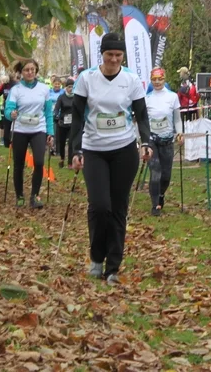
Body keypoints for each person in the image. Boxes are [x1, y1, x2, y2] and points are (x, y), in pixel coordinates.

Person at [70, 33, 152, 284]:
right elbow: (76, 116)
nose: (114, 60)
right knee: (100, 206)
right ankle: (96, 256)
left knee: (118, 208)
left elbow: (141, 115)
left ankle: (113, 267)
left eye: (118, 56)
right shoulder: (86, 79)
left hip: (124, 149)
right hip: (94, 149)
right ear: (102, 55)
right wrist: (75, 150)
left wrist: (146, 142)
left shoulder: (131, 80)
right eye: (110, 55)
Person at [5, 59, 54, 208]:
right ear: (21, 72)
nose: (30, 72)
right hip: (20, 129)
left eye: (33, 69)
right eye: (27, 70)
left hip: (38, 129)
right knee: (18, 164)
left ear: (36, 71)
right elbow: (8, 110)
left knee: (39, 162)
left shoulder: (44, 89)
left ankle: (35, 195)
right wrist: (10, 114)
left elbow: (48, 113)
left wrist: (50, 132)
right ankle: (20, 195)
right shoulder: (16, 90)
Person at [145, 68, 183, 216]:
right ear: (151, 80)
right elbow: (141, 121)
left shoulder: (172, 97)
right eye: (154, 79)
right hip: (152, 139)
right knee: (155, 172)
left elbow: (177, 119)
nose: (157, 82)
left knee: (166, 175)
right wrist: (141, 141)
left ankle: (161, 195)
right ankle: (155, 205)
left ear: (164, 79)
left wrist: (179, 133)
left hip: (167, 140)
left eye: (160, 79)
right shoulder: (147, 98)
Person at [54, 77, 76, 168]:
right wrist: (56, 116)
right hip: (62, 123)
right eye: (69, 87)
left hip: (72, 123)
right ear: (66, 88)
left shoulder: (76, 97)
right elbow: (56, 108)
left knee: (71, 142)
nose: (71, 89)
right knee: (62, 142)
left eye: (72, 87)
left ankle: (70, 162)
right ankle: (62, 159)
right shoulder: (61, 97)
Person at [0, 73, 19, 147]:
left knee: (16, 126)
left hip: (17, 108)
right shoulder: (4, 85)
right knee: (6, 125)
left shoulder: (18, 85)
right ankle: (7, 143)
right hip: (7, 108)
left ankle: (16, 142)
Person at [48, 77, 64, 156]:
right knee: (52, 132)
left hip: (61, 115)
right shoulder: (49, 92)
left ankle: (59, 149)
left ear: (61, 84)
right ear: (52, 84)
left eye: (58, 84)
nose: (57, 85)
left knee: (60, 133)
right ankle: (52, 149)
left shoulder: (63, 92)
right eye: (55, 84)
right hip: (51, 115)